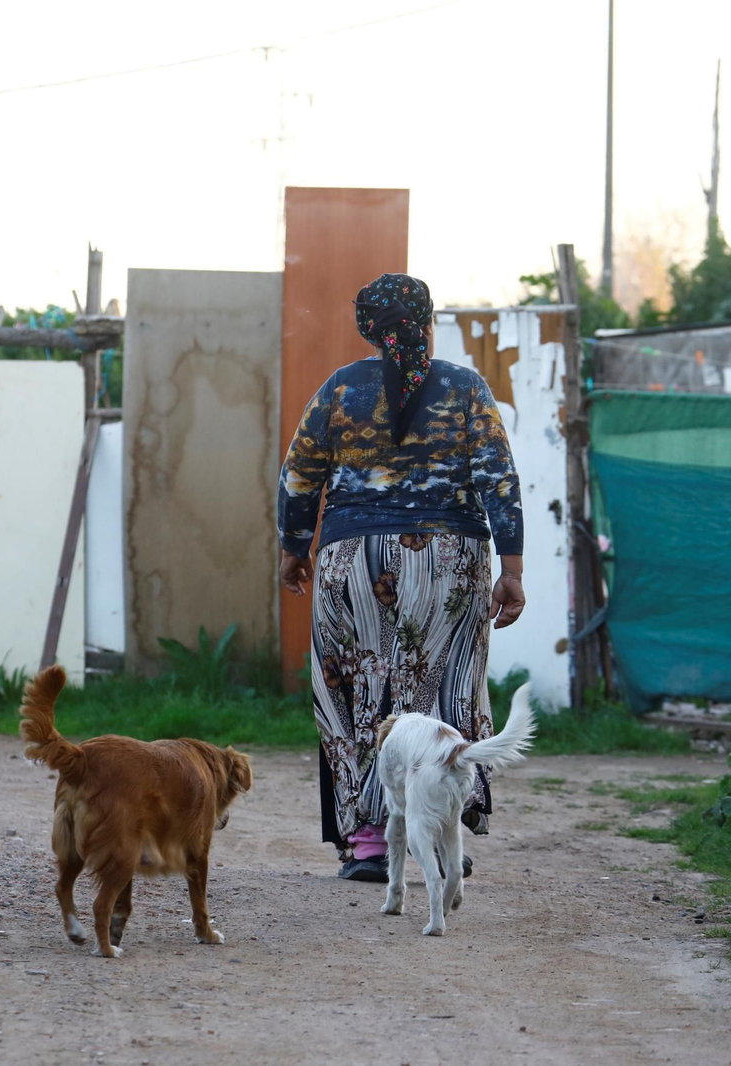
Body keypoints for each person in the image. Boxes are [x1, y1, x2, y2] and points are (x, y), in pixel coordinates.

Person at [277, 272, 526, 882]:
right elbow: (499, 479)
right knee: (444, 689)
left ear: (368, 330)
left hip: (349, 561)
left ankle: (367, 843)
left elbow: (299, 475)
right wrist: (512, 568)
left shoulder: (339, 391)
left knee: (355, 692)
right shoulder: (466, 389)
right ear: (430, 321)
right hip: (449, 560)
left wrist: (294, 545)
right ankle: (442, 844)